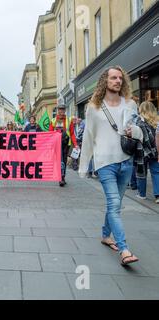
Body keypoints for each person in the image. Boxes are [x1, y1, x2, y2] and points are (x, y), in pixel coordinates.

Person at [79, 66, 142, 266]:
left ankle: (106, 235)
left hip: (126, 161)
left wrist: (136, 132)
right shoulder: (93, 108)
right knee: (115, 204)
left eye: (120, 78)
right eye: (113, 78)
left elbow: (140, 132)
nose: (118, 81)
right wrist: (83, 166)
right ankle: (124, 250)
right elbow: (88, 138)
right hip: (105, 162)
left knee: (114, 205)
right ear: (105, 81)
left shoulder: (130, 104)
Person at [133, 101, 159, 202]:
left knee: (141, 172)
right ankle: (158, 195)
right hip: (155, 151)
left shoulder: (139, 121)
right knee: (156, 172)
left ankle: (142, 194)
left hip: (142, 151)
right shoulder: (157, 121)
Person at [49, 105, 78, 187]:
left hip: (66, 144)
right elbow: (50, 133)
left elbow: (72, 134)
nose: (61, 112)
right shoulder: (53, 120)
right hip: (57, 144)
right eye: (60, 110)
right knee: (59, 160)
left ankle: (63, 177)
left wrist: (75, 144)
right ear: (58, 111)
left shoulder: (69, 120)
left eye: (62, 110)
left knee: (64, 161)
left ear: (65, 111)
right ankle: (60, 178)